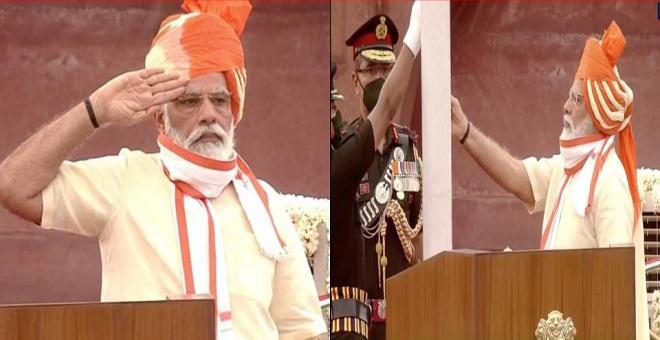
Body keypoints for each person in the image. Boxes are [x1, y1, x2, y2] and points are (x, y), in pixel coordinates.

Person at [0, 1, 325, 339]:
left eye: (219, 100)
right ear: (159, 117)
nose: (208, 114)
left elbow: (304, 330)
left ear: (234, 110)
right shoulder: (126, 179)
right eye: (189, 101)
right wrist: (94, 112)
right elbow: (13, 187)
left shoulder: (264, 205)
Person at [451, 21, 648, 338]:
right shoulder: (567, 168)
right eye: (569, 96)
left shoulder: (610, 181)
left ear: (598, 113)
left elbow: (617, 291)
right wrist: (465, 133)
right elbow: (519, 177)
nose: (566, 106)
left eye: (576, 100)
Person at [330, 3, 422, 339]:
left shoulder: (409, 148)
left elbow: (418, 232)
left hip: (404, 314)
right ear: (355, 80)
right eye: (371, 70)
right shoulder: (344, 149)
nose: (381, 79)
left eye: (388, 70)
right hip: (354, 321)